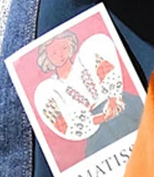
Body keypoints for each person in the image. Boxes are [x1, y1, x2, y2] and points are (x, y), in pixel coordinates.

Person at [33, 29, 141, 158]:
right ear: (46, 57)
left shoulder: (86, 56)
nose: (60, 55)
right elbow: (65, 125)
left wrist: (113, 99)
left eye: (64, 48)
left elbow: (107, 70)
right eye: (54, 53)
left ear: (70, 46)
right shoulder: (50, 89)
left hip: (121, 106)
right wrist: (101, 118)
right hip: (97, 127)